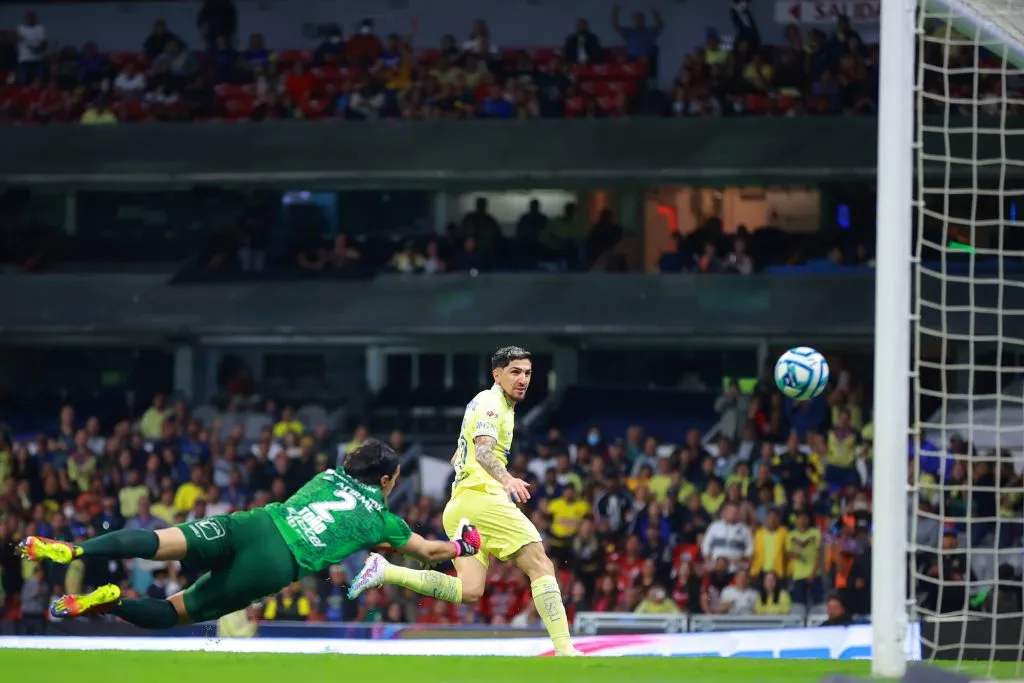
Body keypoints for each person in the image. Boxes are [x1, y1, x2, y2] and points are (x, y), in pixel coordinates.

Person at [18, 440, 481, 627]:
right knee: (172, 612)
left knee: (158, 541)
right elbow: (426, 551)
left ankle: (74, 547)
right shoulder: (383, 519)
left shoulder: (326, 475)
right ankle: (111, 601)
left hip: (254, 523)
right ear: (385, 481)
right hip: (275, 563)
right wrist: (464, 544)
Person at [349, 346, 581, 656]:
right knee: (541, 565)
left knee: (470, 590)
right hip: (483, 499)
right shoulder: (491, 402)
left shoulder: (487, 405)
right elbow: (483, 452)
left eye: (527, 373)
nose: (523, 379)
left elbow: (460, 454)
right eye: (515, 372)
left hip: (459, 507)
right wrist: (507, 479)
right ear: (496, 375)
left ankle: (387, 571)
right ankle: (566, 652)